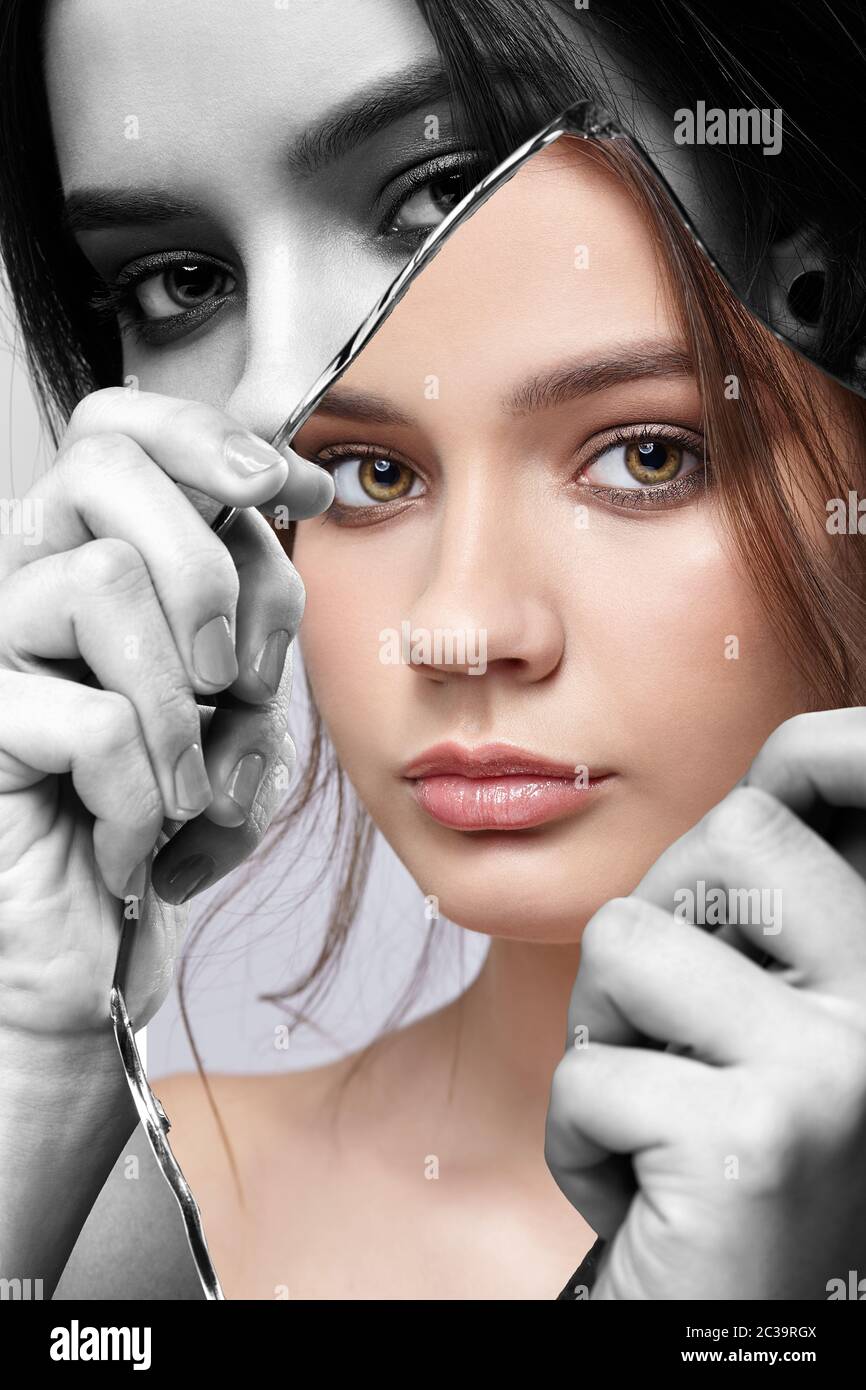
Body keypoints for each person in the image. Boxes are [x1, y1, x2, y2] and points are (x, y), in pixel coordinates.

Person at [0, 0, 863, 1300]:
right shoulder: (146, 1234)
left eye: (446, 185)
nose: (276, 402)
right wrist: (31, 1053)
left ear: (825, 278)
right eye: (177, 281)